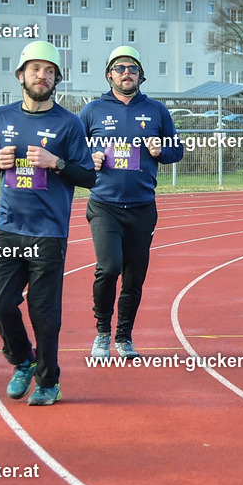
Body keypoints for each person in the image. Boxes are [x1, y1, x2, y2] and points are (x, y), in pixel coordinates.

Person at [0, 40, 96, 406]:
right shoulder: (1, 117)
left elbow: (89, 177)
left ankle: (49, 381)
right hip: (10, 227)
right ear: (21, 75)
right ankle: (23, 360)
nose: (41, 76)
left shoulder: (69, 123)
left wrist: (55, 162)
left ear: (57, 79)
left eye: (49, 71)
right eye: (35, 69)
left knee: (44, 314)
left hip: (48, 233)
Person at [80, 46, 184, 359]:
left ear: (140, 75)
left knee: (134, 277)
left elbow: (176, 150)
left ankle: (124, 337)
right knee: (109, 268)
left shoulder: (156, 110)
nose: (127, 73)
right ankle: (102, 333)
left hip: (142, 206)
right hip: (104, 204)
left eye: (133, 68)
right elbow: (72, 151)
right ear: (109, 74)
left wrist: (159, 151)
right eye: (120, 68)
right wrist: (89, 157)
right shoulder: (92, 110)